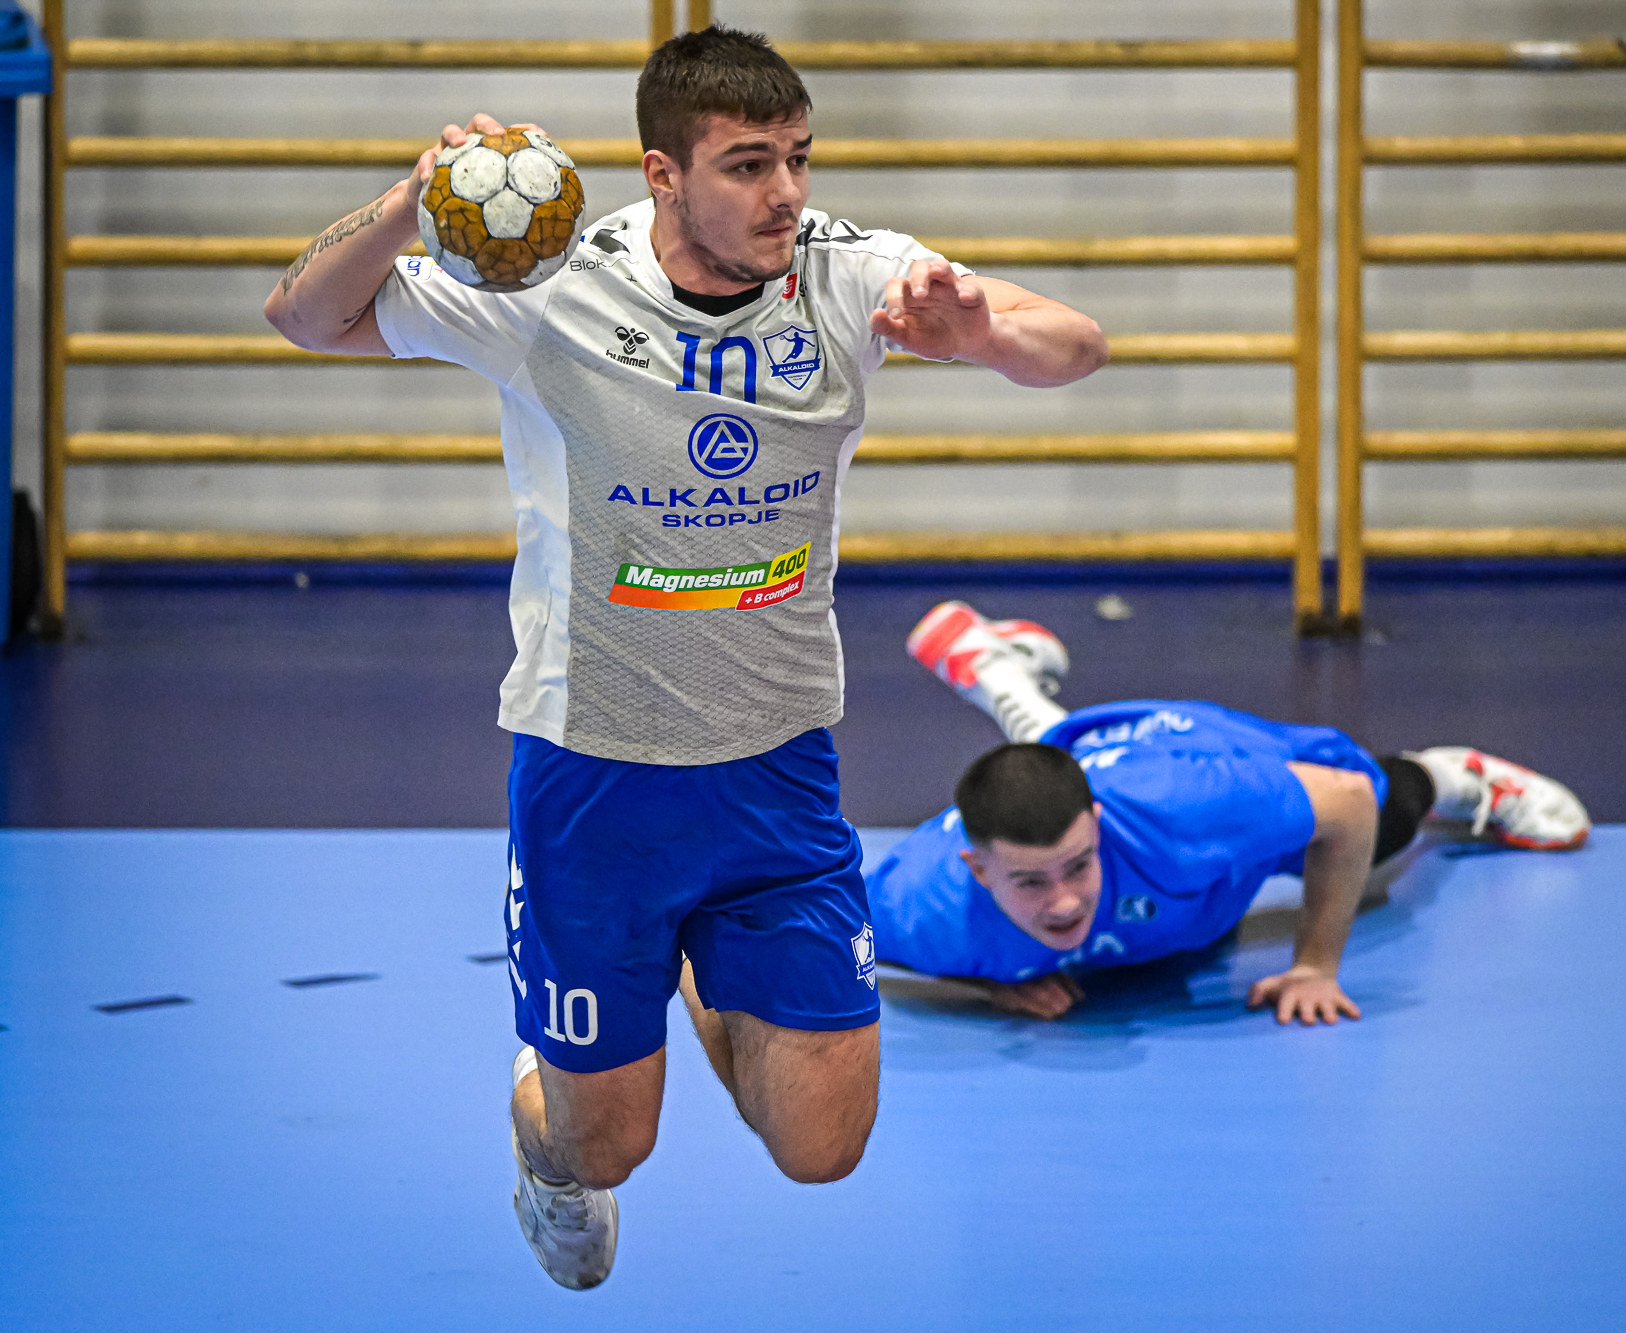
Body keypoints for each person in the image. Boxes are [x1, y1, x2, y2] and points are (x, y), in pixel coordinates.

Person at [264, 29, 1107, 1290]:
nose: (785, 193)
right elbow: (304, 315)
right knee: (604, 1143)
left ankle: (712, 961)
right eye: (748, 165)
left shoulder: (844, 273)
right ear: (662, 174)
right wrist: (409, 202)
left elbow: (1074, 343)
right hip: (593, 773)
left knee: (821, 1147)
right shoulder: (550, 286)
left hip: (776, 768)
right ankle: (547, 1151)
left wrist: (980, 333)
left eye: (798, 158)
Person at [866, 602, 1591, 1021]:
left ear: (1098, 826)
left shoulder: (1191, 811)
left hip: (1184, 757)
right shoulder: (919, 909)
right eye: (1030, 881)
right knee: (1051, 767)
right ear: (977, 870)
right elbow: (828, 947)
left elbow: (1343, 804)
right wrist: (988, 983)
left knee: (1377, 822)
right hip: (1097, 776)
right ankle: (996, 668)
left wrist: (1314, 965)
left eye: (1079, 866)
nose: (1063, 901)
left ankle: (1457, 776)